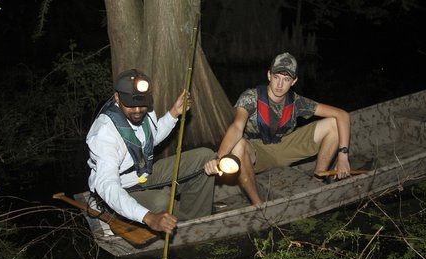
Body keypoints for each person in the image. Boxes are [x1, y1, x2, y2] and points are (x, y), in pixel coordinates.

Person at [204, 52, 351, 205]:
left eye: (286, 79)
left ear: (294, 81)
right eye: (276, 77)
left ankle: (318, 180)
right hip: (257, 153)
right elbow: (236, 127)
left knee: (334, 123)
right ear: (269, 75)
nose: (280, 85)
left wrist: (343, 157)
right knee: (239, 144)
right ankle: (258, 205)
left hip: (284, 147)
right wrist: (219, 157)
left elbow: (342, 115)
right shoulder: (250, 97)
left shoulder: (297, 102)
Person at [87, 68, 215, 234]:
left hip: (144, 174)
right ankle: (176, 223)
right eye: (131, 104)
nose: (138, 110)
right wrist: (148, 217)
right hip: (121, 188)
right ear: (117, 97)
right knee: (161, 201)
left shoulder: (145, 109)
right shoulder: (104, 134)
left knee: (204, 157)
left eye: (142, 103)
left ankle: (196, 222)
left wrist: (173, 114)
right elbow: (108, 186)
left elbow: (149, 138)